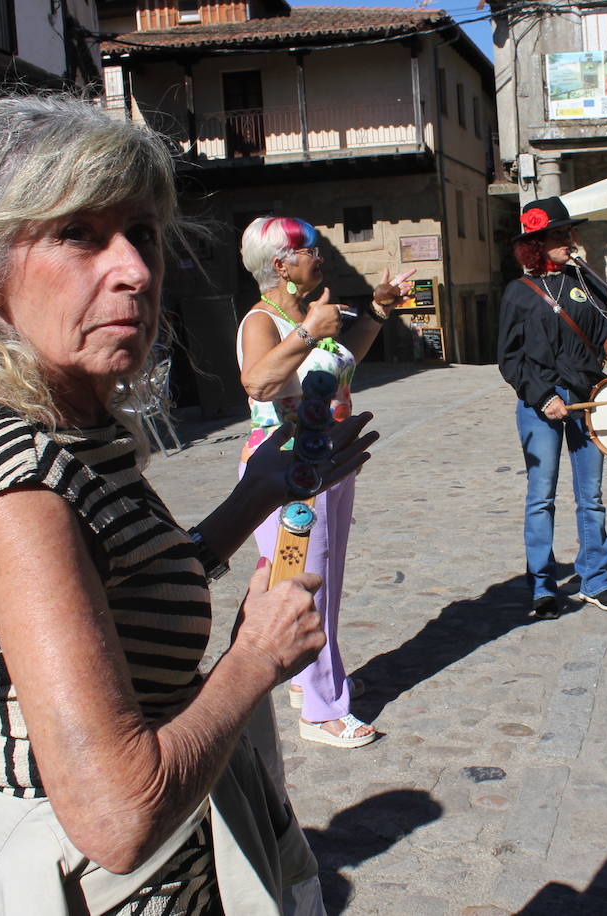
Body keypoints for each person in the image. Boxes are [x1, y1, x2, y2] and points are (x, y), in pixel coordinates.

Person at [0, 94, 379, 914]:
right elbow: (118, 814)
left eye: (143, 235)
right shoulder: (11, 470)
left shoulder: (69, 429)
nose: (131, 267)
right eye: (78, 235)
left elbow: (117, 590)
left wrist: (253, 497)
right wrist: (254, 661)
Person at [235, 217, 412, 749]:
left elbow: (343, 358)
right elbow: (258, 380)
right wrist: (310, 330)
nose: (320, 255)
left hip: (327, 465)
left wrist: (378, 310)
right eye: (310, 248)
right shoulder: (261, 321)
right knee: (302, 588)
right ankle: (321, 711)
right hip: (286, 474)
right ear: (281, 264)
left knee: (324, 580)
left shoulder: (313, 314)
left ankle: (310, 679)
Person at [497, 196, 607, 619]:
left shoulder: (588, 282)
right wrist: (544, 396)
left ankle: (596, 579)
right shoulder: (518, 293)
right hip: (542, 402)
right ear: (535, 244)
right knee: (541, 496)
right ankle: (542, 586)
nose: (568, 240)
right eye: (558, 234)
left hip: (588, 396)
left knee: (591, 497)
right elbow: (510, 358)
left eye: (568, 233)